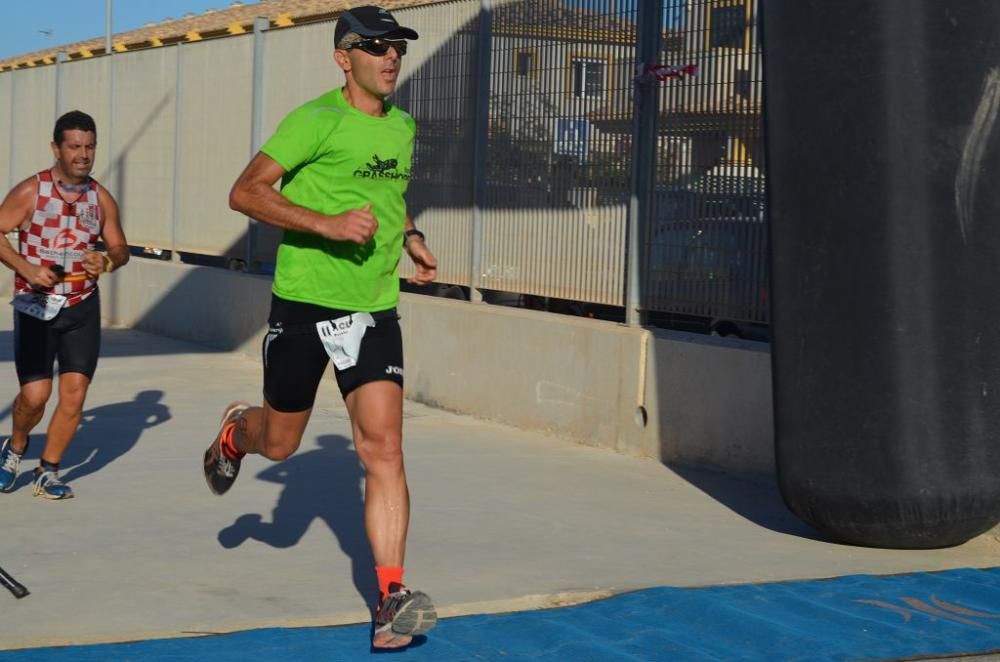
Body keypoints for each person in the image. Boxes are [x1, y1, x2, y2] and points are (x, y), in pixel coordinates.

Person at [202, 6, 438, 649]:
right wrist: (327, 225)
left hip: (372, 310)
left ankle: (391, 599)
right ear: (344, 57)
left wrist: (411, 236)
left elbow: (390, 198)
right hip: (305, 307)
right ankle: (235, 432)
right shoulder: (313, 121)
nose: (391, 57)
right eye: (377, 47)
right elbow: (246, 192)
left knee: (383, 449)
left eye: (398, 48)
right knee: (279, 444)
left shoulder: (403, 128)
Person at [0, 110, 129, 500]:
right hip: (36, 306)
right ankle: (16, 447)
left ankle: (48, 471)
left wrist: (106, 260)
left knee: (74, 395)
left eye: (89, 147)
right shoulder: (31, 191)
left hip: (81, 307)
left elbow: (121, 246)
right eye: (74, 146)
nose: (83, 155)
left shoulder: (100, 196)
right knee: (36, 397)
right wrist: (26, 267)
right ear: (56, 148)